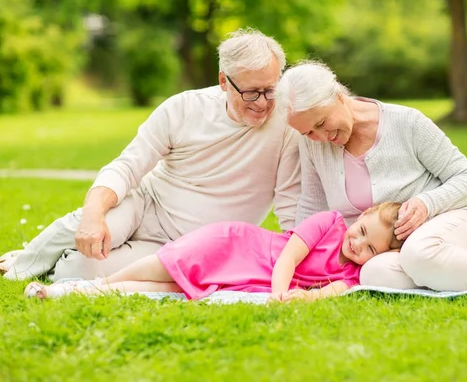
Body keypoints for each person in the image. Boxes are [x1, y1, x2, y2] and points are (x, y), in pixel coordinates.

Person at [3, 28, 301, 282]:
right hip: (146, 205)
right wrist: (94, 216)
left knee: (77, 268)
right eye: (251, 93)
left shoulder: (288, 125)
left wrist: (298, 262)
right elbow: (127, 166)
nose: (262, 103)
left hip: (186, 247)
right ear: (224, 81)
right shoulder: (184, 108)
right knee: (80, 227)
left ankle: (50, 260)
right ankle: (22, 265)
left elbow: (290, 205)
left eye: (270, 90)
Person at [275, 60, 467, 299]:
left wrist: (426, 203)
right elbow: (311, 205)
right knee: (373, 275)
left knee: (418, 253)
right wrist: (291, 263)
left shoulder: (406, 122)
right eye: (307, 132)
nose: (320, 137)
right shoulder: (313, 142)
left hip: (449, 221)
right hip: (390, 252)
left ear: (339, 97)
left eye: (321, 123)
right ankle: (459, 272)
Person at [24, 202, 405, 301]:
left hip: (244, 280)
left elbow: (330, 292)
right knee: (162, 268)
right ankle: (89, 285)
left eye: (370, 248)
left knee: (172, 290)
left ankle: (82, 291)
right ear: (364, 214)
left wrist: (305, 299)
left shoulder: (355, 275)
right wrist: (280, 295)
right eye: (362, 232)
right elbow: (289, 257)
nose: (357, 244)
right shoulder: (329, 222)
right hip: (234, 247)